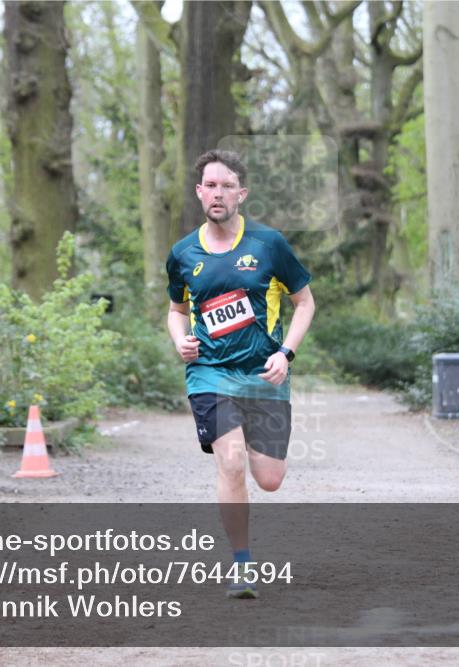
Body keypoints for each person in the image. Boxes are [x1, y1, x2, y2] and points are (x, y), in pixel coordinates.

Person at [165, 149, 316, 599]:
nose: (218, 193)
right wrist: (180, 339)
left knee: (269, 479)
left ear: (241, 194)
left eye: (227, 186)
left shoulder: (269, 245)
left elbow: (305, 302)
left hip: (264, 376)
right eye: (210, 185)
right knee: (230, 463)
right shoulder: (182, 254)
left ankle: (255, 437)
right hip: (209, 374)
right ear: (199, 192)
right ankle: (241, 566)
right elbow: (175, 311)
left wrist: (286, 353)